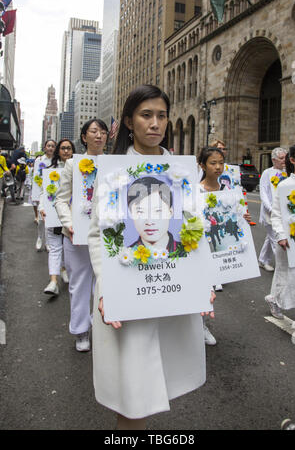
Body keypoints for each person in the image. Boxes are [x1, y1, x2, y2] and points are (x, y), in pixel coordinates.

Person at [88, 84, 215, 431]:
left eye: (161, 115)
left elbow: (194, 229)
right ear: (129, 121)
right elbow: (98, 235)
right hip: (127, 292)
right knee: (132, 393)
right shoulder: (113, 170)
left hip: (171, 291)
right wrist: (107, 289)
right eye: (146, 115)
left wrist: (204, 280)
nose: (155, 123)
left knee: (165, 376)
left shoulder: (180, 170)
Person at [55, 119, 108, 352]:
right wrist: (69, 223)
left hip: (106, 233)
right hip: (76, 235)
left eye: (103, 132)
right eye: (94, 132)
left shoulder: (114, 162)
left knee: (105, 282)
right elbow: (60, 199)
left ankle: (103, 327)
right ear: (84, 137)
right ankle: (80, 330)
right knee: (79, 284)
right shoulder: (72, 165)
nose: (99, 136)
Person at [198, 146, 252, 345]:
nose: (218, 167)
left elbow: (237, 215)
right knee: (199, 286)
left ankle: (202, 324)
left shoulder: (229, 191)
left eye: (221, 163)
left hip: (219, 248)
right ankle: (194, 325)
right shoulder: (195, 190)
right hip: (200, 246)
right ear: (202, 165)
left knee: (211, 286)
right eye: (213, 163)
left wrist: (243, 217)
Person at [265, 143, 295, 320]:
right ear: (293, 160)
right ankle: (275, 300)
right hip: (288, 239)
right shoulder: (285, 185)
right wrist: (280, 235)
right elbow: (277, 214)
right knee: (285, 273)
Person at [40, 139, 75, 296]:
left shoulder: (81, 169)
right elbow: (44, 192)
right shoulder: (49, 170)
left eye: (69, 148)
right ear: (58, 151)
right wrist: (42, 207)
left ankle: (64, 269)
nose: (66, 151)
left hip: (73, 218)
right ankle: (53, 281)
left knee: (68, 249)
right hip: (54, 216)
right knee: (55, 248)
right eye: (63, 148)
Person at [127, 176, 184, 255]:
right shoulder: (126, 256)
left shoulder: (186, 253)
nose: (150, 222)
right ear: (131, 214)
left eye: (157, 211)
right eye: (140, 212)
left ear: (170, 212)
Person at [258, 147, 288, 272]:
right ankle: (284, 268)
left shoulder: (287, 172)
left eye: (285, 158)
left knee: (270, 237)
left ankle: (262, 260)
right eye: (281, 158)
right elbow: (263, 192)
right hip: (269, 212)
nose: (284, 160)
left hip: (284, 210)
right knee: (276, 238)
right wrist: (270, 208)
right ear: (274, 160)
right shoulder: (267, 173)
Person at [33, 140, 56, 251]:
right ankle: (39, 237)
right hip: (42, 192)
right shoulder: (39, 160)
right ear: (45, 147)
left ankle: (48, 242)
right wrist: (37, 194)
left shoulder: (56, 160)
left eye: (52, 146)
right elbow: (36, 176)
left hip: (52, 192)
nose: (50, 148)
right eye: (48, 146)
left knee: (49, 219)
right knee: (41, 219)